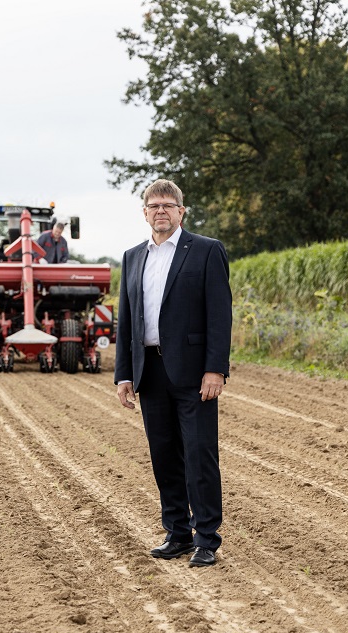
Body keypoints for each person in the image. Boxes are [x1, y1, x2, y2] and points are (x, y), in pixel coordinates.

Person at [113, 179, 231, 567]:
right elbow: (127, 320)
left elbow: (220, 315)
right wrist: (124, 374)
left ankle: (206, 539)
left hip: (194, 374)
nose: (160, 210)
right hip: (150, 372)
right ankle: (178, 533)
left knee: (199, 455)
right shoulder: (133, 257)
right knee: (164, 457)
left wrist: (215, 369)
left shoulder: (207, 250)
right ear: (144, 213)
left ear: (181, 211)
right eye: (154, 205)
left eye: (168, 204)